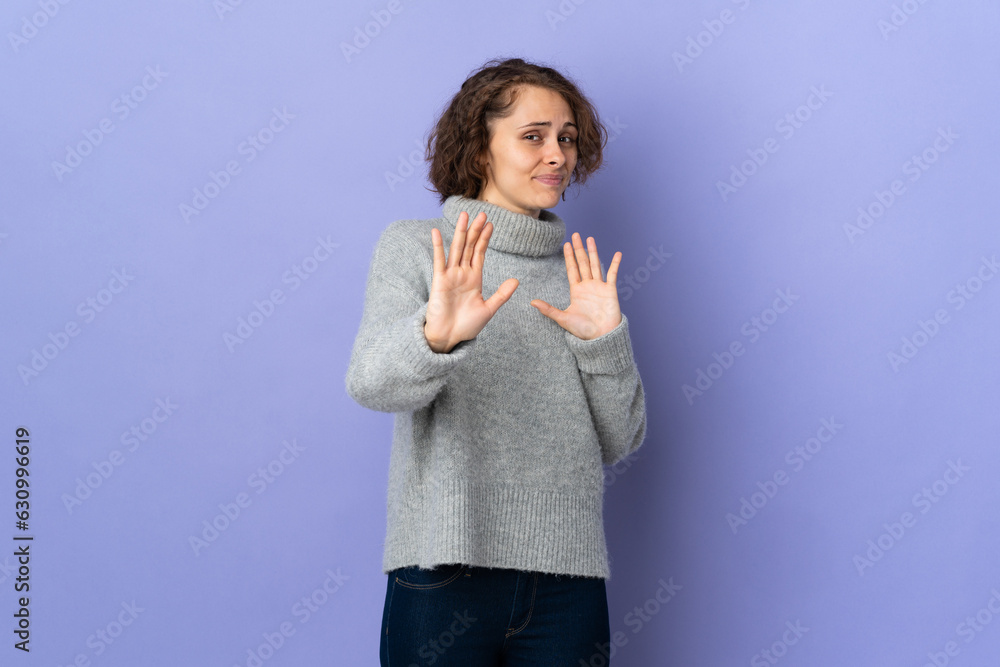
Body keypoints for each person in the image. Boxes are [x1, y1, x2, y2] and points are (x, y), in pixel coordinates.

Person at [345, 56, 647, 666]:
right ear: (479, 150)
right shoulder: (418, 248)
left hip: (568, 581)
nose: (557, 155)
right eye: (533, 136)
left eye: (567, 138)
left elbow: (621, 440)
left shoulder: (579, 277)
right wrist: (435, 338)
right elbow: (371, 384)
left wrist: (604, 345)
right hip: (443, 568)